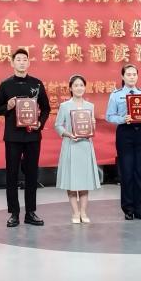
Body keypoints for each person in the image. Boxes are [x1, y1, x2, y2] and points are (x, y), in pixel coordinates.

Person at [0, 48, 51, 227]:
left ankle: (30, 212)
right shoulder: (6, 84)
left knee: (32, 174)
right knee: (11, 174)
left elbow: (46, 108)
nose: (22, 62)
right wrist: (8, 106)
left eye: (25, 59)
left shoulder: (37, 83)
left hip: (33, 136)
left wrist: (40, 123)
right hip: (13, 137)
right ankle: (14, 213)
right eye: (18, 59)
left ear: (28, 62)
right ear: (12, 63)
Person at [105, 64, 141, 221]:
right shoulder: (116, 95)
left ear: (137, 76)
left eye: (134, 74)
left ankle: (139, 209)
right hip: (124, 133)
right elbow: (109, 116)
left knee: (140, 171)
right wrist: (122, 118)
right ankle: (128, 208)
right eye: (128, 74)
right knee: (126, 171)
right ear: (123, 76)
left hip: (140, 132)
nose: (132, 77)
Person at [54, 75, 102, 224]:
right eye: (76, 85)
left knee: (84, 181)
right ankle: (75, 213)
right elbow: (58, 125)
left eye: (81, 85)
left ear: (85, 87)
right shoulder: (65, 106)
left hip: (85, 146)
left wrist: (93, 124)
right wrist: (68, 134)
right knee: (71, 181)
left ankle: (83, 212)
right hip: (71, 145)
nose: (79, 88)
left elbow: (90, 129)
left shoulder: (90, 106)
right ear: (70, 88)